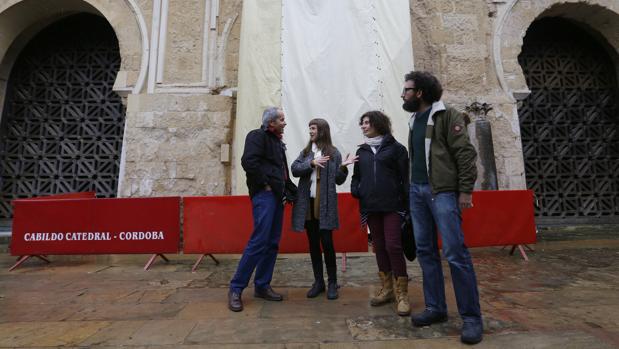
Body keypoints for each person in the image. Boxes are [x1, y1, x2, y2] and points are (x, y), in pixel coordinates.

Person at [402, 71, 483, 344]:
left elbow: (465, 154)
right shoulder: (414, 119)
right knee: (425, 251)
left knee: (455, 253)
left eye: (407, 90)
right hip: (417, 192)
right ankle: (436, 308)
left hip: (443, 193)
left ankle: (471, 318)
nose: (403, 94)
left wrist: (465, 190)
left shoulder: (447, 115)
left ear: (420, 92)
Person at [228, 106, 294, 312]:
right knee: (259, 240)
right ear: (271, 122)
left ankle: (262, 285)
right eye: (281, 119)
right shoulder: (257, 136)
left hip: (276, 195)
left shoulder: (277, 142)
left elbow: (281, 171)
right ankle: (236, 288)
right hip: (265, 195)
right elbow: (248, 162)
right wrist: (266, 184)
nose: (285, 122)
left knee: (272, 242)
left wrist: (289, 188)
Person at [351, 111, 410, 316]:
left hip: (393, 205)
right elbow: (356, 176)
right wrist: (356, 189)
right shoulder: (363, 151)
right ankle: (387, 290)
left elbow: (405, 178)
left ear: (378, 124)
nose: (363, 126)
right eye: (362, 123)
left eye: (367, 123)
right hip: (371, 205)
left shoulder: (397, 149)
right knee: (379, 246)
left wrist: (408, 205)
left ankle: (402, 293)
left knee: (393, 245)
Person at [291, 118, 357, 300]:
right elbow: (294, 169)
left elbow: (338, 180)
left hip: (325, 206)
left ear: (322, 131)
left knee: (327, 243)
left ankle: (333, 282)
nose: (310, 131)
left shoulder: (333, 153)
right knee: (313, 244)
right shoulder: (305, 152)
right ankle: (318, 282)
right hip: (308, 205)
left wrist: (343, 167)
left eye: (313, 128)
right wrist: (311, 163)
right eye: (309, 128)